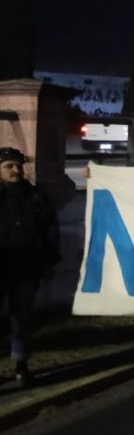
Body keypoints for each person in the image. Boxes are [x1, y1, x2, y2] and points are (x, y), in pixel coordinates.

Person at [0, 147, 60, 388]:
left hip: (27, 269)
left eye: (19, 165)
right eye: (9, 166)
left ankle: (21, 364)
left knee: (22, 319)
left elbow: (51, 231)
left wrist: (49, 261)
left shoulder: (36, 197)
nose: (16, 170)